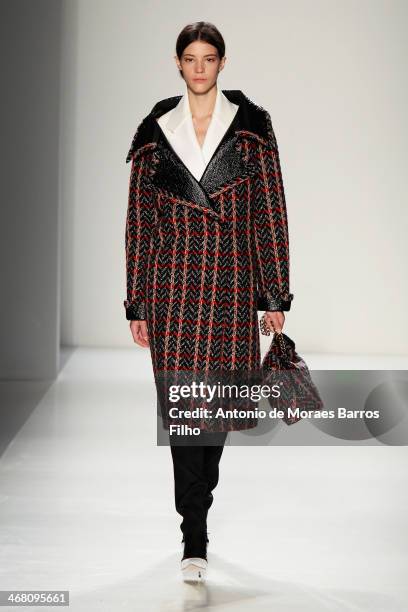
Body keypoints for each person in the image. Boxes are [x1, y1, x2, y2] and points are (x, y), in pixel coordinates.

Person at [124, 21, 293, 582]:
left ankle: (201, 499)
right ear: (177, 63)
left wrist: (274, 292)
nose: (200, 67)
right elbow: (140, 223)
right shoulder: (155, 131)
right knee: (183, 413)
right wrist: (137, 300)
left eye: (209, 58)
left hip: (230, 283)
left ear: (222, 63)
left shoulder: (250, 129)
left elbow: (271, 213)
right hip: (171, 288)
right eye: (190, 58)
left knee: (215, 412)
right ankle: (192, 533)